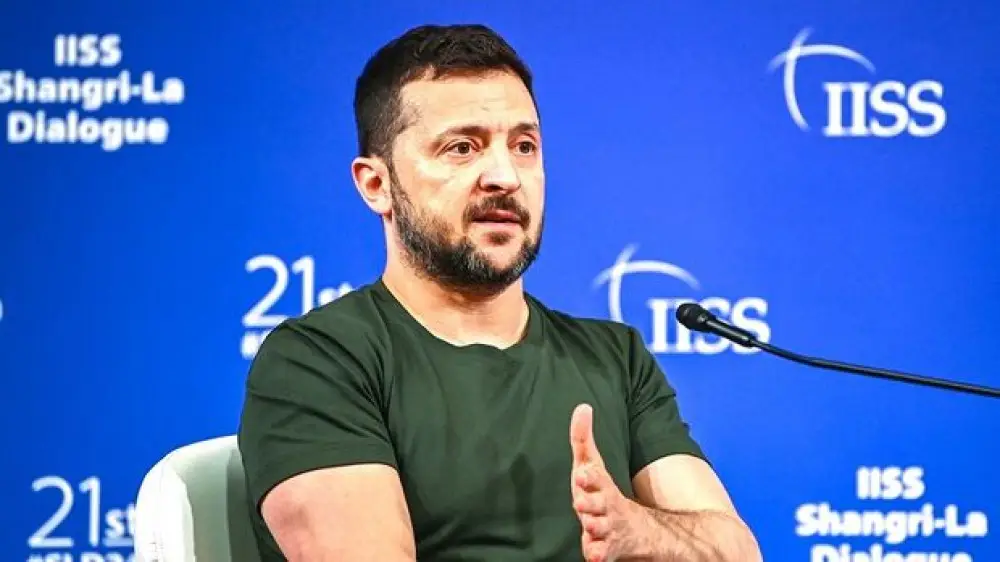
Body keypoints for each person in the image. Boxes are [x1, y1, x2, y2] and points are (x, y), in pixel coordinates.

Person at [237, 23, 763, 562]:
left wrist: (639, 530)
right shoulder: (318, 362)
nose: (505, 176)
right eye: (462, 148)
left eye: (524, 146)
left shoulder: (614, 358)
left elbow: (737, 551)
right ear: (377, 184)